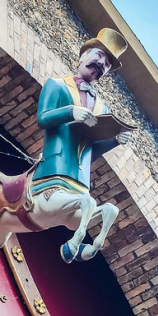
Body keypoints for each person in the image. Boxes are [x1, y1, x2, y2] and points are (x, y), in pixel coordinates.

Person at [31, 28, 132, 262]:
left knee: (109, 209)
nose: (102, 64)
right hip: (54, 169)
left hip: (80, 180)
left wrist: (114, 141)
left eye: (107, 64)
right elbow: (43, 118)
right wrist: (70, 111)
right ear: (83, 55)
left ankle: (88, 244)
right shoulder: (57, 85)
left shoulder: (102, 109)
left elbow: (91, 150)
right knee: (87, 203)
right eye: (99, 55)